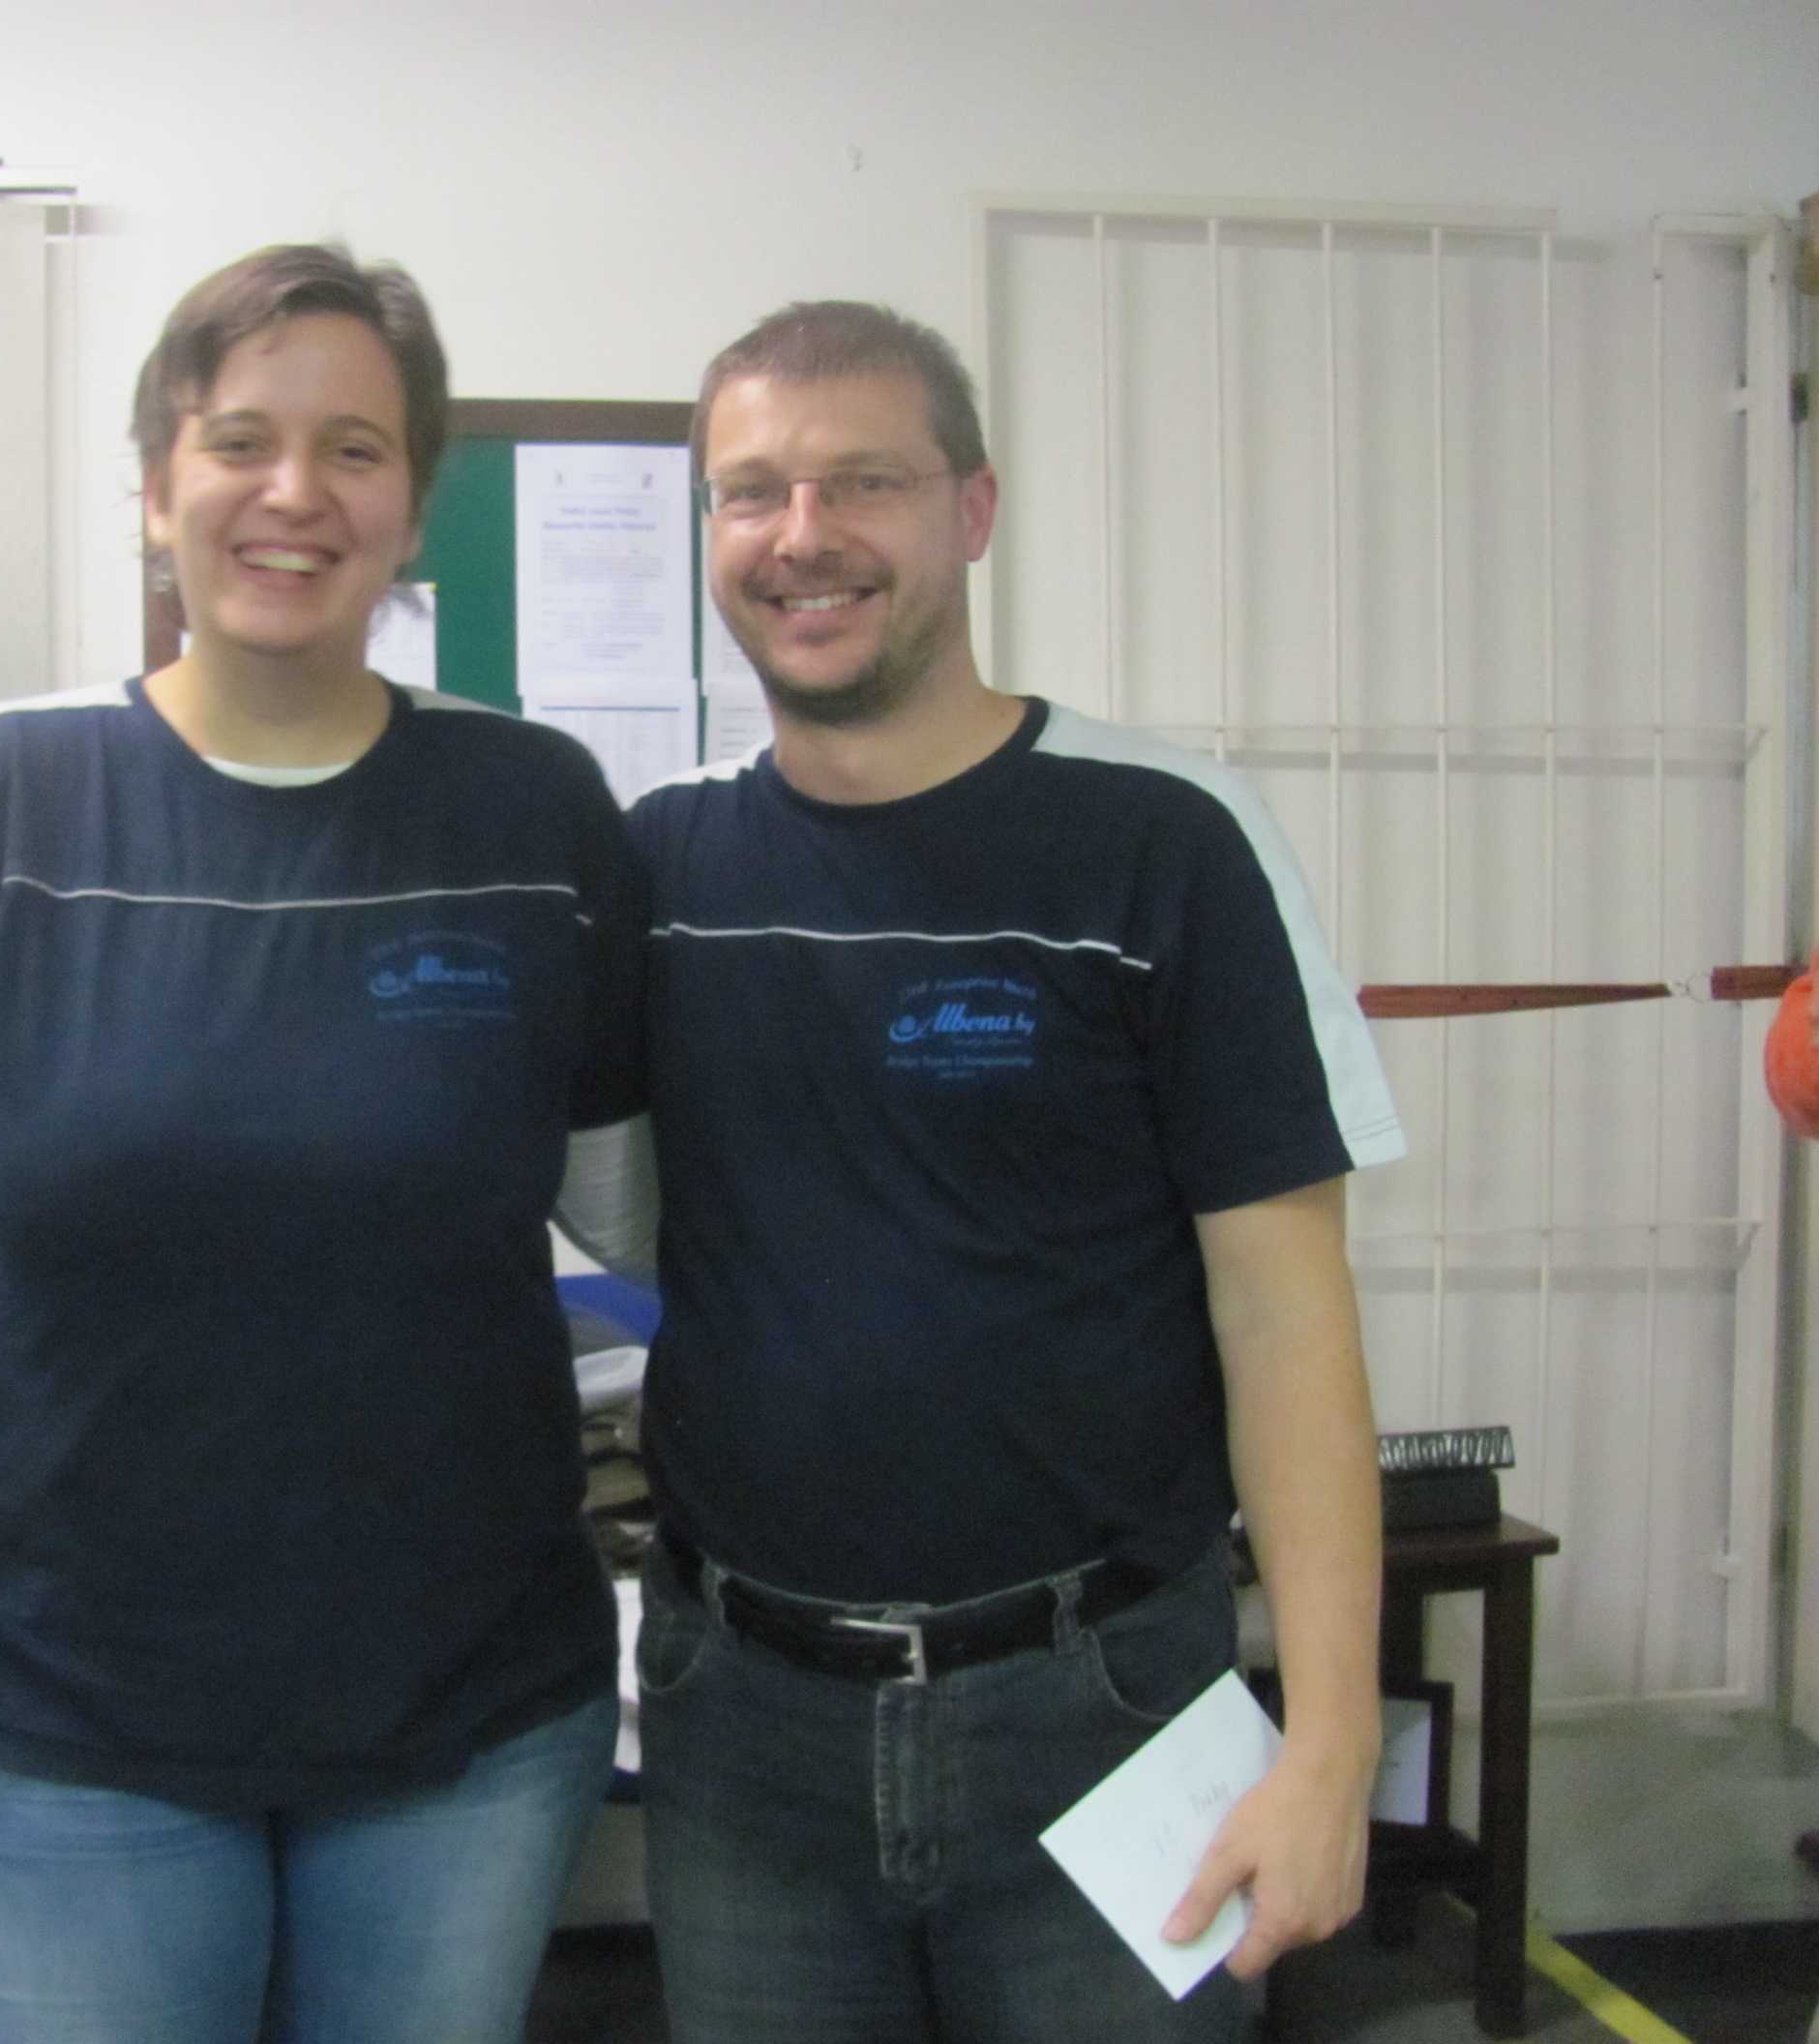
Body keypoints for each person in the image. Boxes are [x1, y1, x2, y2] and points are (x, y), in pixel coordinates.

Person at [0, 244, 642, 2044]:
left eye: (355, 449)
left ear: (413, 509)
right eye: (240, 440)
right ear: (157, 488)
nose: (294, 492)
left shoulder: (530, 810)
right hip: (62, 1732)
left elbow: (648, 1213)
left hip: (465, 1724)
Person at [567, 301, 1407, 2042]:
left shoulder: (1163, 839)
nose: (803, 535)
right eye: (752, 491)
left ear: (972, 508)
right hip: (745, 1723)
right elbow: (629, 1212)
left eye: (863, 481)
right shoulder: (665, 868)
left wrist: (1330, 1743)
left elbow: (1285, 1315)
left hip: (1104, 1711)